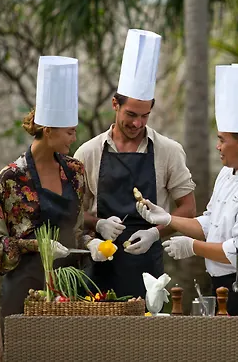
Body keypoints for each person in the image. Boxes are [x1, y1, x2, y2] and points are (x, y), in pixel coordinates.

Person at [0, 56, 109, 362]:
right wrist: (37, 246)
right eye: (69, 132)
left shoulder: (75, 172)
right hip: (25, 287)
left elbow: (76, 231)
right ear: (49, 130)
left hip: (68, 288)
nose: (74, 139)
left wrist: (91, 243)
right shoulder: (11, 178)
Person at [135, 64, 238, 316]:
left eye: (222, 140)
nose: (217, 146)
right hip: (221, 282)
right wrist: (168, 219)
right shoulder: (227, 173)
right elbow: (210, 223)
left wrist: (192, 246)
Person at [74, 29, 196, 299]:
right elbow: (73, 214)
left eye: (145, 115)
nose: (137, 123)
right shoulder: (88, 152)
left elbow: (188, 209)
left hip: (148, 275)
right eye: (131, 114)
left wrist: (155, 233)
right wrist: (99, 224)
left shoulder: (169, 151)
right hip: (97, 271)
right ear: (115, 104)